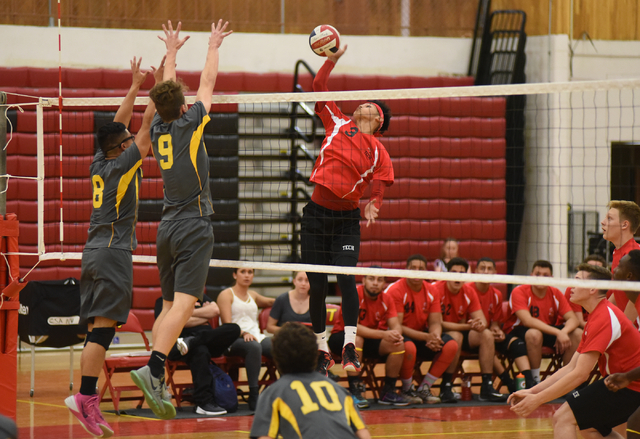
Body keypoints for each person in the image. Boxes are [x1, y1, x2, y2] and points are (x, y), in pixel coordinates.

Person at [130, 20, 233, 420]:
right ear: (185, 106)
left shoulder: (157, 126)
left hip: (167, 226)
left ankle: (155, 373)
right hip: (193, 225)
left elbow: (169, 90)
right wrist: (213, 44)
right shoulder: (192, 123)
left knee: (170, 304)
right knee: (184, 306)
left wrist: (171, 53)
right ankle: (154, 367)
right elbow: (209, 80)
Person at [65, 57, 159, 438]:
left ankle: (85, 397)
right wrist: (162, 84)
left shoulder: (98, 162)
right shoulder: (122, 166)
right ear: (120, 149)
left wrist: (134, 86)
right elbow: (147, 126)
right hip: (112, 253)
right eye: (127, 142)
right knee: (101, 332)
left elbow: (121, 126)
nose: (133, 142)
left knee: (98, 330)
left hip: (95, 251)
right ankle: (86, 398)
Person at [300, 42, 395, 377]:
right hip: (315, 215)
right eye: (361, 103)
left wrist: (376, 203)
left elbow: (383, 180)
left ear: (377, 120)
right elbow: (318, 87)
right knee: (317, 283)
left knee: (345, 277)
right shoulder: (338, 122)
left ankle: (349, 347)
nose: (361, 106)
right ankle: (322, 350)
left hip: (345, 221)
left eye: (368, 105)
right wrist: (331, 60)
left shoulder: (378, 149)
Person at [509, 263, 640, 439]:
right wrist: (532, 392)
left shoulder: (604, 317)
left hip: (631, 385)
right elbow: (571, 367)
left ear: (592, 288)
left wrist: (538, 400)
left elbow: (580, 374)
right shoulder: (596, 315)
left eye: (577, 280)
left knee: (562, 418)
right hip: (621, 383)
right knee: (589, 427)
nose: (571, 286)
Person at [250, 322, 371, 439]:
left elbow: (264, 437)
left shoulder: (274, 393)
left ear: (276, 357)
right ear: (315, 355)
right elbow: (363, 434)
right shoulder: (339, 390)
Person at [329, 272, 413, 408]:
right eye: (371, 279)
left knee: (397, 344)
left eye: (380, 280)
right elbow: (353, 327)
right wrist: (383, 334)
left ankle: (388, 391)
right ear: (364, 280)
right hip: (342, 336)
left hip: (368, 338)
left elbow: (396, 324)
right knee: (357, 339)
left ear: (384, 283)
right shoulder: (354, 294)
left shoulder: (386, 298)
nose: (375, 283)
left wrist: (396, 334)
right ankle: (354, 389)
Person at [384, 254, 458, 404]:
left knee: (451, 345)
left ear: (426, 271)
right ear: (406, 270)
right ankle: (406, 389)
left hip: (421, 334)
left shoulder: (431, 291)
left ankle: (424, 387)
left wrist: (435, 337)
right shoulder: (396, 290)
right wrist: (427, 338)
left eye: (421, 269)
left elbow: (436, 322)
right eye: (413, 268)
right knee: (409, 346)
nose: (417, 271)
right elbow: (397, 327)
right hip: (396, 334)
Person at [436, 257, 508, 402]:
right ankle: (446, 386)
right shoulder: (436, 289)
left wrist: (480, 325)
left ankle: (487, 386)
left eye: (461, 273)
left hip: (462, 332)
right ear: (446, 274)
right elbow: (439, 323)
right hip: (438, 334)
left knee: (486, 334)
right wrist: (469, 326)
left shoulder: (468, 291)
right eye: (454, 272)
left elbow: (482, 320)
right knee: (456, 337)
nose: (457, 276)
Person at [153, 295, 240, 416]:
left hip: (207, 341)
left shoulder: (199, 296)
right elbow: (173, 323)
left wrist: (183, 314)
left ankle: (193, 341)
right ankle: (203, 403)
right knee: (200, 351)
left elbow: (215, 310)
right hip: (179, 345)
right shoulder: (164, 301)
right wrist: (203, 316)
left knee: (234, 328)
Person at [503, 260, 582, 385]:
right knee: (534, 334)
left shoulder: (555, 293)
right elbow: (527, 320)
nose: (541, 278)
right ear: (531, 275)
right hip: (518, 331)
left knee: (577, 333)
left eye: (545, 275)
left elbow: (573, 319)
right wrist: (558, 332)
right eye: (537, 274)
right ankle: (534, 380)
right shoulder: (520, 291)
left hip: (546, 330)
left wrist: (564, 332)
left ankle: (566, 380)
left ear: (551, 278)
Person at [468, 257, 535, 392]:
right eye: (482, 268)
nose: (485, 272)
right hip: (473, 336)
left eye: (489, 269)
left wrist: (497, 331)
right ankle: (509, 383)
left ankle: (530, 383)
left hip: (488, 334)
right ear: (475, 271)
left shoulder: (497, 294)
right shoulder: (468, 290)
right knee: (487, 342)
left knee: (518, 344)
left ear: (494, 272)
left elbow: (495, 324)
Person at [217, 267, 276, 410]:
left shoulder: (253, 295)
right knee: (253, 346)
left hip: (256, 336)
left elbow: (270, 302)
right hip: (233, 338)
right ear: (234, 274)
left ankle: (284, 390)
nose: (247, 275)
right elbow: (227, 325)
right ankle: (254, 395)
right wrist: (243, 333)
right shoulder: (226, 294)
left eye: (250, 272)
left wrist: (295, 298)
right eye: (243, 272)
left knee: (279, 345)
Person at [605, 249, 640, 439]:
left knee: (635, 421)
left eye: (618, 266)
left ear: (629, 276)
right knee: (635, 421)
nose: (613, 270)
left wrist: (628, 377)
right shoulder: (636, 302)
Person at [601, 200, 640, 319]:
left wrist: (623, 329)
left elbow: (636, 297)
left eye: (609, 218)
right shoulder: (618, 252)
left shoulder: (633, 256)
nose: (603, 222)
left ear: (624, 225)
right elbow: (618, 294)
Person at [562, 254, 606, 328]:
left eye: (597, 269)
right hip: (573, 327)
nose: (593, 271)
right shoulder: (575, 289)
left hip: (593, 325)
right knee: (578, 332)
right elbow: (580, 322)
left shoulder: (608, 288)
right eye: (589, 268)